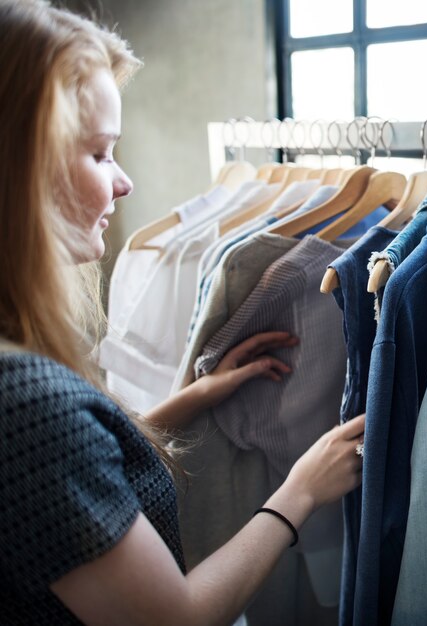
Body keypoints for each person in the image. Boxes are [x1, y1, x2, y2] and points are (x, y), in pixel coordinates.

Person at [0, 1, 365, 624]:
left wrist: (195, 397)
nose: (124, 182)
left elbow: (72, 474)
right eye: (99, 153)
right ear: (20, 164)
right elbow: (178, 618)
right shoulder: (28, 403)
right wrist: (299, 492)